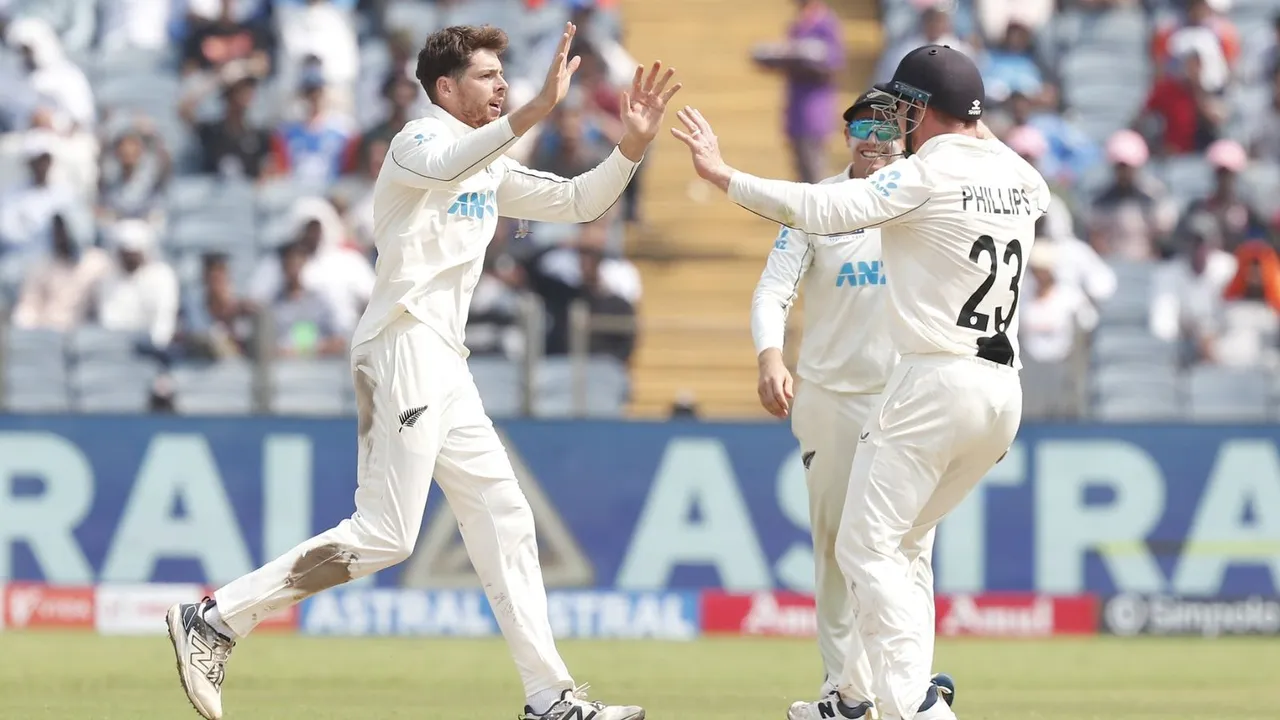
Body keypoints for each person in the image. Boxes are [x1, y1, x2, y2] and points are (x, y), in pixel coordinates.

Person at [166, 22, 678, 720]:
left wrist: (634, 145)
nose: (503, 85)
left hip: (446, 361)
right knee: (386, 535)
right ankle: (216, 619)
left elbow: (579, 202)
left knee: (506, 516)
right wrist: (538, 109)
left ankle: (549, 699)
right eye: (488, 75)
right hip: (401, 346)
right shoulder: (417, 142)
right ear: (445, 87)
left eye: (506, 75)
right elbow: (452, 166)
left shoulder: (489, 164)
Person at [673, 45, 1048, 720]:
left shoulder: (921, 177)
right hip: (1002, 394)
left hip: (932, 384)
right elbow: (984, 143)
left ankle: (914, 704)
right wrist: (967, 114)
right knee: (901, 546)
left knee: (863, 547)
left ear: (924, 112)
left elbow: (814, 207)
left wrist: (724, 175)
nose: (896, 122)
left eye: (906, 108)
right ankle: (851, 694)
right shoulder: (1023, 180)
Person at [751, 90, 956, 719]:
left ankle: (908, 681)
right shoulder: (821, 204)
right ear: (847, 136)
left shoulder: (928, 196)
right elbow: (772, 289)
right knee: (840, 549)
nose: (874, 137)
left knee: (909, 546)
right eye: (862, 125)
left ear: (908, 137)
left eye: (888, 127)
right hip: (833, 400)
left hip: (907, 399)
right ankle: (845, 692)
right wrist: (769, 355)